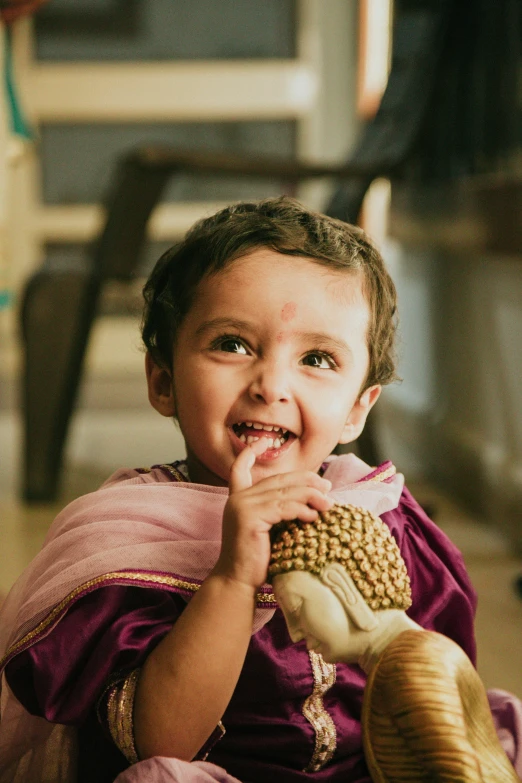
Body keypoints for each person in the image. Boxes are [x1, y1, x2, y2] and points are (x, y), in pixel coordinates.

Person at [0, 196, 516, 783]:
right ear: (163, 380)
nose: (271, 384)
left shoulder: (380, 513)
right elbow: (159, 741)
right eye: (233, 345)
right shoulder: (128, 539)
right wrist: (230, 576)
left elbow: (432, 680)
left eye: (317, 358)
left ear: (356, 411)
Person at [270, 504, 522, 781]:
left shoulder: (408, 669)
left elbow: (458, 775)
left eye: (296, 610)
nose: (294, 634)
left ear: (341, 585)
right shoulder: (409, 656)